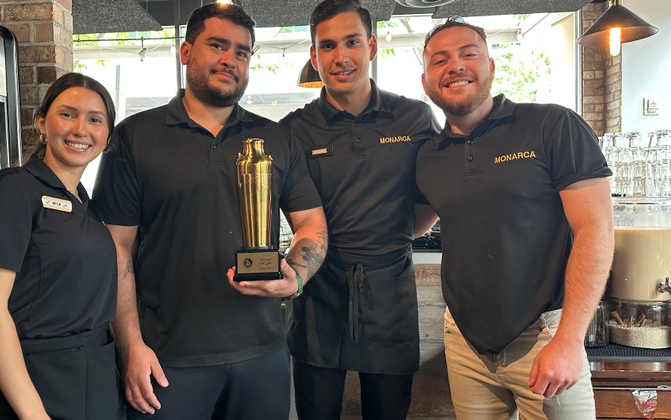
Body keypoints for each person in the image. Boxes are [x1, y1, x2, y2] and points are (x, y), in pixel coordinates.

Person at [92, 3, 328, 419]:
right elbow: (115, 252)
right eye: (217, 45)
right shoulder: (134, 136)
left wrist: (297, 274)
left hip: (264, 353)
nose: (229, 60)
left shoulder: (276, 138)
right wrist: (130, 347)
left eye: (241, 52)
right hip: (167, 358)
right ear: (186, 52)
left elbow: (311, 223)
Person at [416, 18, 614, 419]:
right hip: (465, 341)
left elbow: (596, 229)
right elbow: (411, 223)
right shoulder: (429, 155)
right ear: (425, 81)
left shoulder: (551, 125)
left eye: (468, 54)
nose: (455, 66)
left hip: (545, 334)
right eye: (440, 60)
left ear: (491, 66)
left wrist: (569, 339)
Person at [279, 1, 440, 418]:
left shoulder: (414, 117)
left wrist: (400, 234)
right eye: (328, 46)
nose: (341, 56)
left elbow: (436, 195)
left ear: (370, 46)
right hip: (318, 295)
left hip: (390, 296)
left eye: (352, 42)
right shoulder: (294, 130)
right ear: (314, 57)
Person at [0, 73, 123, 419]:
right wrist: (33, 414)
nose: (80, 129)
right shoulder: (13, 189)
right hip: (31, 382)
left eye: (95, 119)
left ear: (107, 136)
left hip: (94, 379)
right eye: (67, 114)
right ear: (42, 122)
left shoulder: (87, 204)